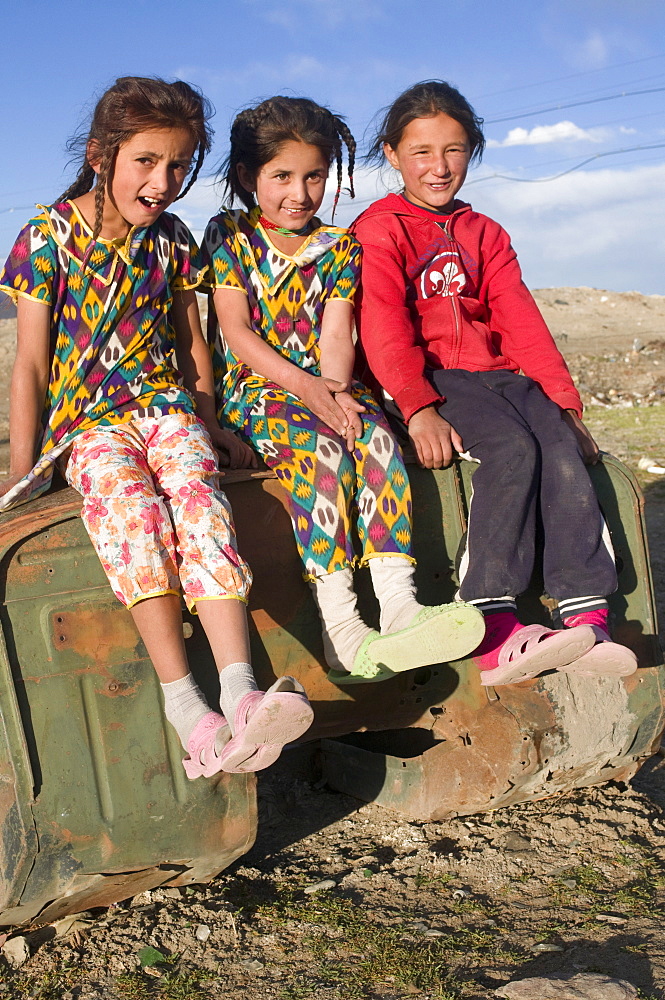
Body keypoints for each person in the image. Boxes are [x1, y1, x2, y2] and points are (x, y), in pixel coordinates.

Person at [0, 76, 313, 777]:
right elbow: (28, 365)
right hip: (89, 425)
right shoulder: (45, 237)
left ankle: (239, 692)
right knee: (133, 512)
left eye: (177, 165)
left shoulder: (171, 241)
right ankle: (186, 709)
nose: (164, 181)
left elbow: (193, 342)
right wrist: (26, 470)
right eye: (147, 161)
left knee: (201, 501)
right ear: (101, 154)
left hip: (165, 408)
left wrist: (213, 424)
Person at [351, 79, 637, 686]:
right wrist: (418, 407)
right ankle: (493, 624)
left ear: (471, 153)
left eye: (454, 150)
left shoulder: (486, 233)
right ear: (392, 154)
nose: (439, 166)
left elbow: (520, 320)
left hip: (501, 375)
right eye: (422, 152)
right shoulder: (380, 231)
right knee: (511, 451)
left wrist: (566, 405)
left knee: (559, 448)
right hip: (436, 380)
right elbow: (382, 326)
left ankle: (586, 617)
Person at [204, 95, 485, 686]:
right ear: (248, 177)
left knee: (375, 439)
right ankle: (342, 626)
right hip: (261, 389)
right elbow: (237, 333)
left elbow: (337, 334)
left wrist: (335, 392)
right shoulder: (231, 236)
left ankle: (400, 604)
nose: (299, 193)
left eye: (314, 176)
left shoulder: (339, 246)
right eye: (281, 176)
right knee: (323, 453)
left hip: (323, 382)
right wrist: (309, 391)